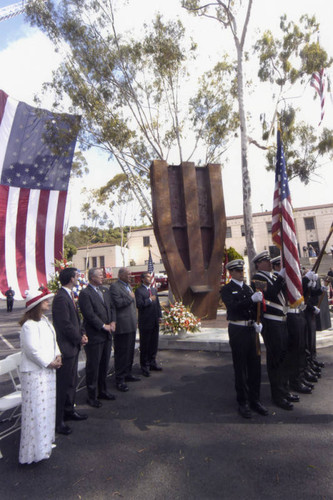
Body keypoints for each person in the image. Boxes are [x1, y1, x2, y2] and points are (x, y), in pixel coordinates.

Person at [19, 287, 62, 464]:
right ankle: (33, 451)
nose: (48, 302)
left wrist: (57, 355)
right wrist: (48, 362)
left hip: (47, 371)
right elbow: (31, 350)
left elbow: (53, 341)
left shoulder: (45, 321)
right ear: (36, 304)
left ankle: (44, 443)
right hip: (35, 373)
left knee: (47, 409)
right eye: (45, 300)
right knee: (36, 410)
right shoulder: (29, 326)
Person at [220, 259, 268, 418]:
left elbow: (255, 309)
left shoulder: (248, 288)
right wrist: (251, 300)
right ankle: (243, 402)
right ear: (231, 272)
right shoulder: (227, 289)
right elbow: (233, 307)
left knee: (255, 366)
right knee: (241, 368)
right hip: (238, 329)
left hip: (251, 330)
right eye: (239, 271)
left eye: (242, 270)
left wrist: (257, 321)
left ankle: (255, 399)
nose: (242, 273)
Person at [251, 251, 294, 410]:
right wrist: (281, 277)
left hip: (282, 322)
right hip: (271, 323)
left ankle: (285, 390)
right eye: (266, 260)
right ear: (258, 264)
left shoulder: (273, 277)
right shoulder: (257, 279)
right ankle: (278, 396)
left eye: (269, 260)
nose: (269, 262)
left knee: (284, 358)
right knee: (276, 360)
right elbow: (270, 293)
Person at [52, 267, 88, 436]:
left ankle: (69, 410)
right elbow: (65, 324)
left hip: (73, 345)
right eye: (77, 276)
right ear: (71, 278)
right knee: (63, 385)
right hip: (66, 347)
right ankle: (58, 421)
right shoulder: (60, 298)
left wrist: (82, 334)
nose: (79, 278)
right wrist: (78, 337)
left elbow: (75, 321)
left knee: (72, 382)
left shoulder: (68, 295)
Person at [271, 256, 311, 396]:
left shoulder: (281, 279)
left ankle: (299, 377)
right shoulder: (275, 280)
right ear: (277, 266)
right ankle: (292, 381)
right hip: (287, 317)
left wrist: (307, 282)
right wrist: (304, 280)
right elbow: (272, 294)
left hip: (297, 313)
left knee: (300, 349)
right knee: (291, 352)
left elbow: (298, 293)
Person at [78, 267, 117, 407]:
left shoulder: (105, 291)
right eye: (100, 275)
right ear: (92, 277)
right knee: (93, 366)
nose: (103, 277)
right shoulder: (85, 293)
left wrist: (113, 321)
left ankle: (103, 390)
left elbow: (112, 307)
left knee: (104, 365)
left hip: (107, 335)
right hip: (95, 336)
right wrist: (103, 326)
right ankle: (92, 396)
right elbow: (89, 314)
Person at [110, 268, 140, 392]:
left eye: (130, 274)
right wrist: (129, 297)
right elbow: (117, 303)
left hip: (131, 324)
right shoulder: (115, 287)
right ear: (120, 275)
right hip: (122, 326)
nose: (130, 276)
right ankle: (120, 379)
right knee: (122, 353)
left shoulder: (128, 286)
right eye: (128, 274)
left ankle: (128, 373)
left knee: (129, 351)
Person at [135, 272, 162, 377]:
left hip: (155, 320)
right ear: (142, 279)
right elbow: (139, 304)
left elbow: (158, 304)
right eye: (147, 277)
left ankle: (152, 362)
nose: (150, 278)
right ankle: (144, 366)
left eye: (150, 277)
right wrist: (150, 300)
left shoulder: (154, 290)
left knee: (154, 344)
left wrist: (159, 316)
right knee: (145, 345)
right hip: (145, 322)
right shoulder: (139, 291)